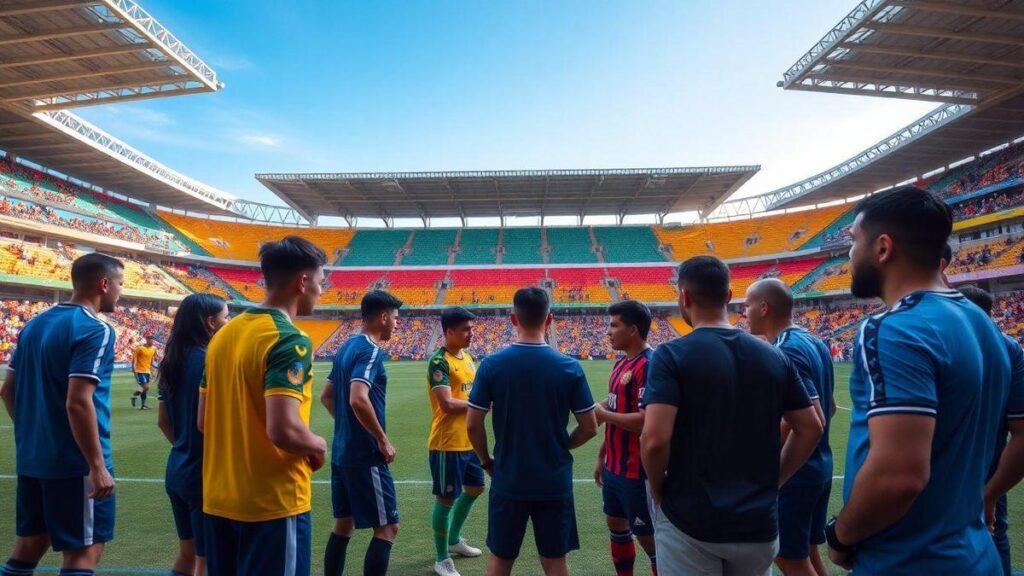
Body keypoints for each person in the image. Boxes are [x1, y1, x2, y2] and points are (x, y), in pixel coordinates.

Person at [826, 186, 1011, 575]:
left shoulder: (895, 329)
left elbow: (900, 476)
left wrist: (841, 536)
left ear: (883, 248)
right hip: (976, 553)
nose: (848, 256)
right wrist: (988, 495)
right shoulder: (986, 326)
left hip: (908, 560)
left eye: (853, 242)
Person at [640, 255, 822, 576]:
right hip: (757, 524)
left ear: (684, 297)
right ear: (728, 297)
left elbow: (655, 440)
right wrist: (775, 480)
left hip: (691, 519)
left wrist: (658, 489)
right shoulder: (774, 355)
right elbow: (810, 427)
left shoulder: (670, 355)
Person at [199, 237, 327, 576]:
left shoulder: (222, 336)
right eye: (320, 282)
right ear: (303, 281)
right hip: (272, 503)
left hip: (219, 498)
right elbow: (283, 430)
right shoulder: (288, 338)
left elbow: (203, 420)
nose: (321, 290)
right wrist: (318, 444)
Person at [0, 253, 124, 576]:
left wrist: (39, 434)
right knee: (83, 554)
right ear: (104, 284)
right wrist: (96, 466)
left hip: (32, 460)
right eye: (120, 285)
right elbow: (78, 401)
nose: (120, 293)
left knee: (28, 548)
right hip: (75, 466)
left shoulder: (33, 325)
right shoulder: (97, 330)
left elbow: (7, 391)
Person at [466, 287, 599, 576]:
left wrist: (486, 461)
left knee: (501, 558)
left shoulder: (491, 365)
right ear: (549, 319)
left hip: (508, 476)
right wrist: (561, 443)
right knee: (554, 561)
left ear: (513, 319)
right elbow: (590, 428)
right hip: (553, 478)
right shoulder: (569, 367)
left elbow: (472, 423)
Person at [744, 278, 834, 576]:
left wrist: (771, 473)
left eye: (746, 306)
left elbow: (813, 419)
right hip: (819, 466)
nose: (744, 313)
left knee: (787, 557)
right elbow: (830, 407)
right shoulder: (815, 342)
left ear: (764, 307)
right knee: (806, 551)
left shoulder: (786, 350)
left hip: (797, 472)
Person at [321, 290, 404, 576]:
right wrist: (381, 439)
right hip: (364, 455)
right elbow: (358, 398)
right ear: (383, 317)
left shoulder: (345, 347)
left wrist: (348, 426)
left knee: (343, 525)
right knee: (388, 528)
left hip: (342, 451)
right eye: (395, 318)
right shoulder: (370, 349)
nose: (397, 323)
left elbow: (327, 396)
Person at [156, 294, 230, 576]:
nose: (229, 321)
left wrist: (185, 446)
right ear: (211, 323)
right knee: (206, 559)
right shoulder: (211, 360)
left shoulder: (172, 360)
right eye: (225, 317)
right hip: (203, 474)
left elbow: (163, 421)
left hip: (177, 469)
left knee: (187, 555)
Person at [957, 285, 1024, 576]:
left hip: (951, 470)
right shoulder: (1010, 349)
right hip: (992, 468)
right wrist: (991, 493)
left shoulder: (952, 344)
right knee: (994, 534)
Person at [593, 300, 657, 576]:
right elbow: (613, 405)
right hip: (615, 467)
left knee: (651, 542)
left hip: (638, 471)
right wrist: (601, 455)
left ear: (633, 330)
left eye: (613, 325)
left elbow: (646, 421)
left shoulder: (651, 365)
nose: (608, 331)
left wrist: (603, 415)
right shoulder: (621, 363)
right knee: (616, 526)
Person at [426, 306, 485, 576]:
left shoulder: (469, 358)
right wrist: (480, 404)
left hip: (468, 441)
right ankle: (441, 559)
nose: (471, 334)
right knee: (445, 498)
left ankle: (454, 539)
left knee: (474, 488)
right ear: (449, 332)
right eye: (465, 329)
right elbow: (447, 404)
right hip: (446, 442)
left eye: (472, 328)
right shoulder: (439, 362)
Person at [131, 335, 158, 410]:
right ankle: (134, 396)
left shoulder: (153, 349)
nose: (152, 342)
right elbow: (133, 360)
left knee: (144, 389)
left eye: (153, 340)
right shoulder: (140, 348)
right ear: (147, 340)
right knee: (146, 387)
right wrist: (133, 369)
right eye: (151, 340)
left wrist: (153, 370)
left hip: (148, 371)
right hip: (140, 371)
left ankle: (142, 405)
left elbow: (152, 361)